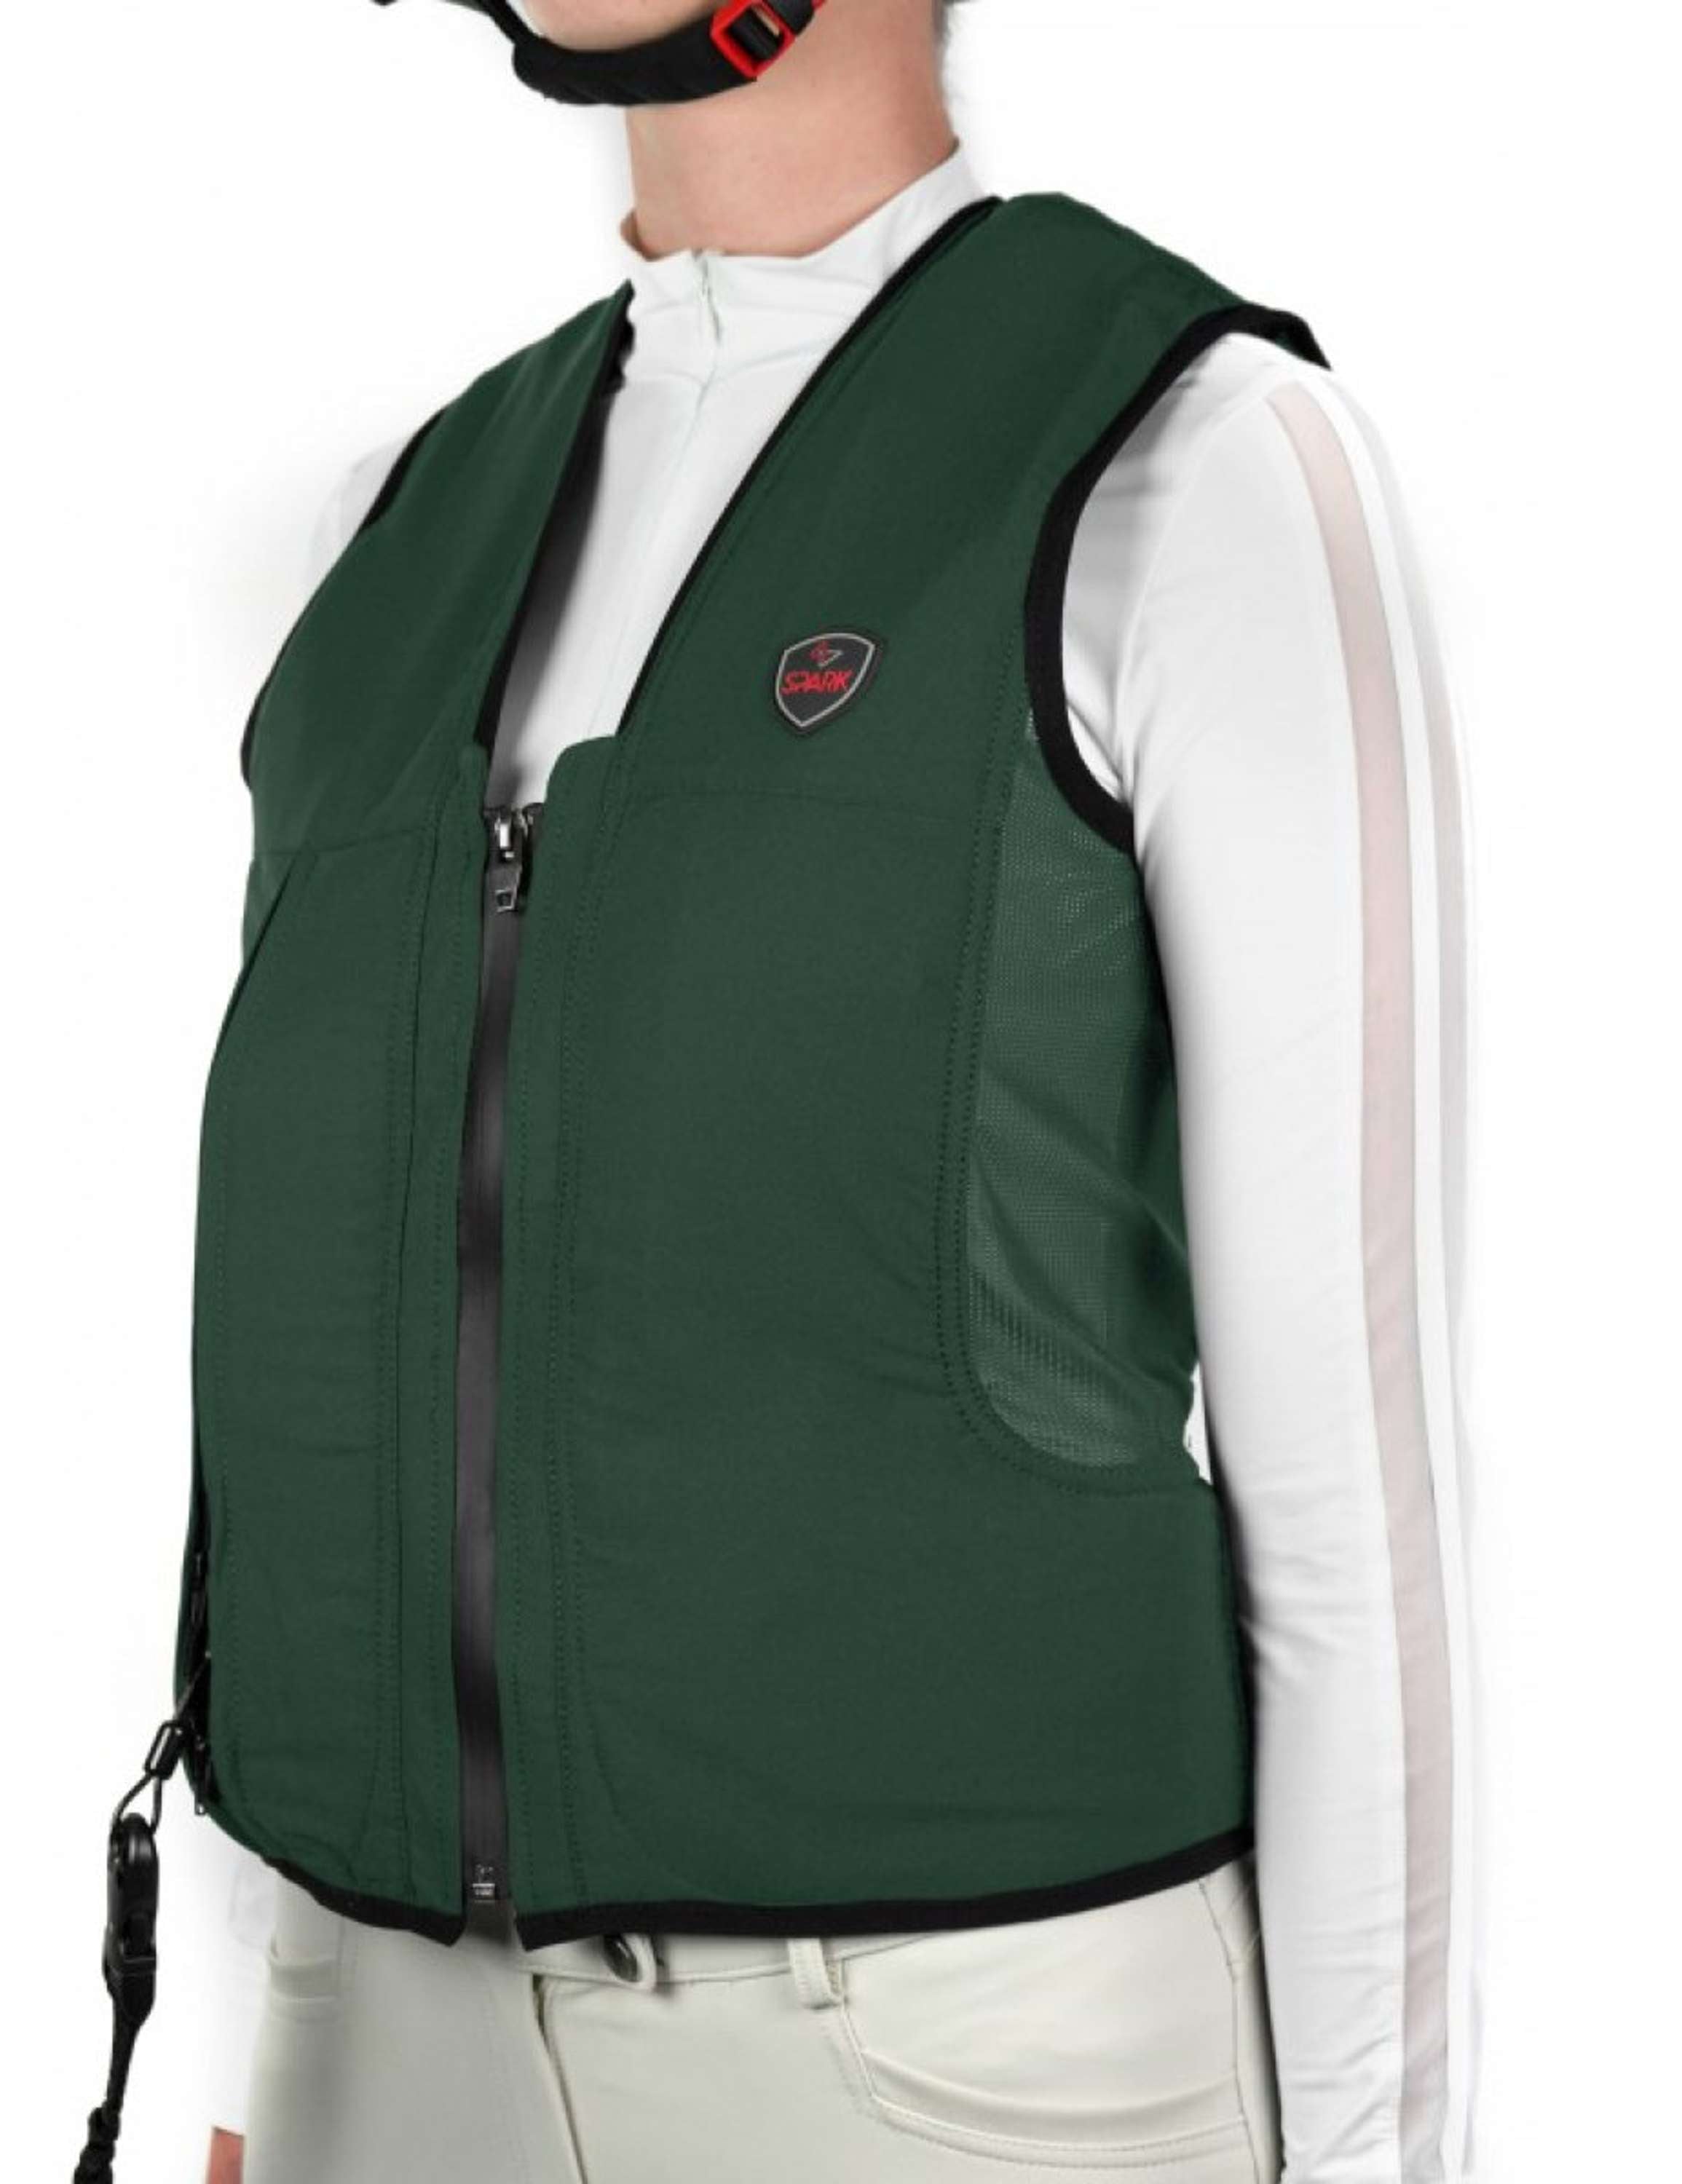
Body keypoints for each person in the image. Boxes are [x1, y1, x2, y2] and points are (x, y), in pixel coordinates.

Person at [165, 3, 1480, 2180]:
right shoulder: (393, 530)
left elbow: (1351, 1513)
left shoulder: (1185, 460)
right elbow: (328, 1386)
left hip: (955, 2064)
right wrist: (245, 2035)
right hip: (371, 2050)